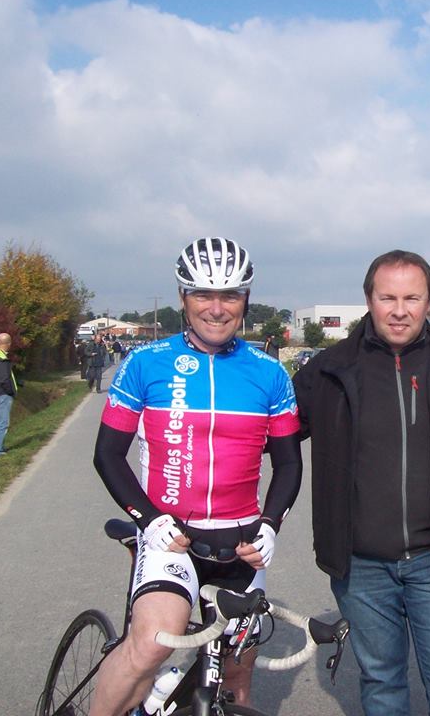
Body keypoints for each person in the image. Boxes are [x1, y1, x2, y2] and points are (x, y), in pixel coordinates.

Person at [88, 237, 303, 716]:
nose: (217, 308)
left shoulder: (269, 373)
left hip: (241, 539)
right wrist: (148, 519)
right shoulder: (145, 363)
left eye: (230, 295)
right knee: (150, 646)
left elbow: (289, 463)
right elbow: (108, 455)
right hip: (170, 537)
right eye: (203, 294)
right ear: (183, 297)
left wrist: (271, 524)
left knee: (237, 673)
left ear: (246, 299)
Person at [293, 250, 430, 716]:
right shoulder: (327, 370)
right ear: (369, 299)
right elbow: (263, 437)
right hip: (360, 567)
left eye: (413, 297)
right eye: (387, 297)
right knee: (382, 685)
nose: (400, 309)